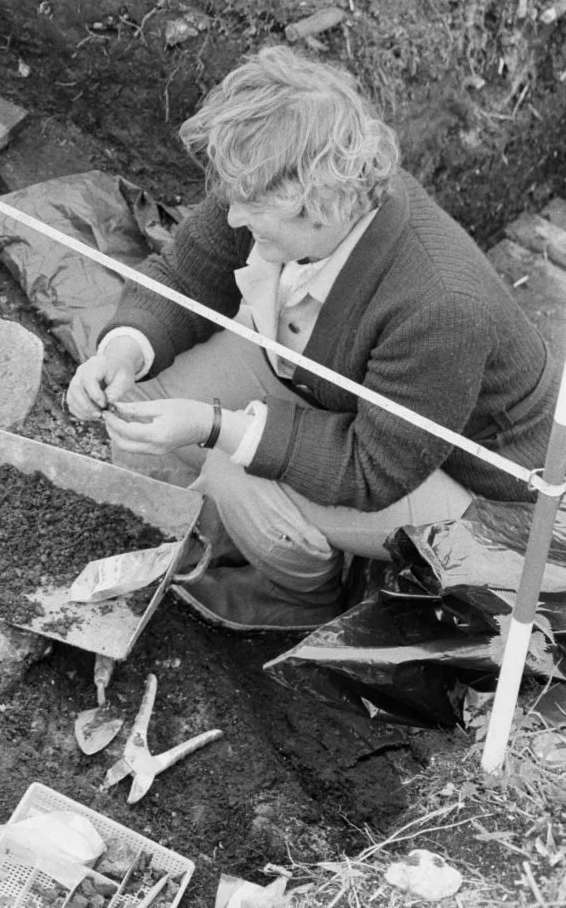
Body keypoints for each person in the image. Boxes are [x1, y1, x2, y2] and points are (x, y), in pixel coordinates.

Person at [67, 46, 558, 632]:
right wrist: (123, 349)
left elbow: (372, 470)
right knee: (141, 392)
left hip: (494, 501)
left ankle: (298, 596)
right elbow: (184, 276)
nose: (231, 220)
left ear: (319, 206)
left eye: (249, 207)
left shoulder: (442, 306)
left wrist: (214, 425)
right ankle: (190, 531)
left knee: (233, 469)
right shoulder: (287, 180)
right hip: (360, 406)